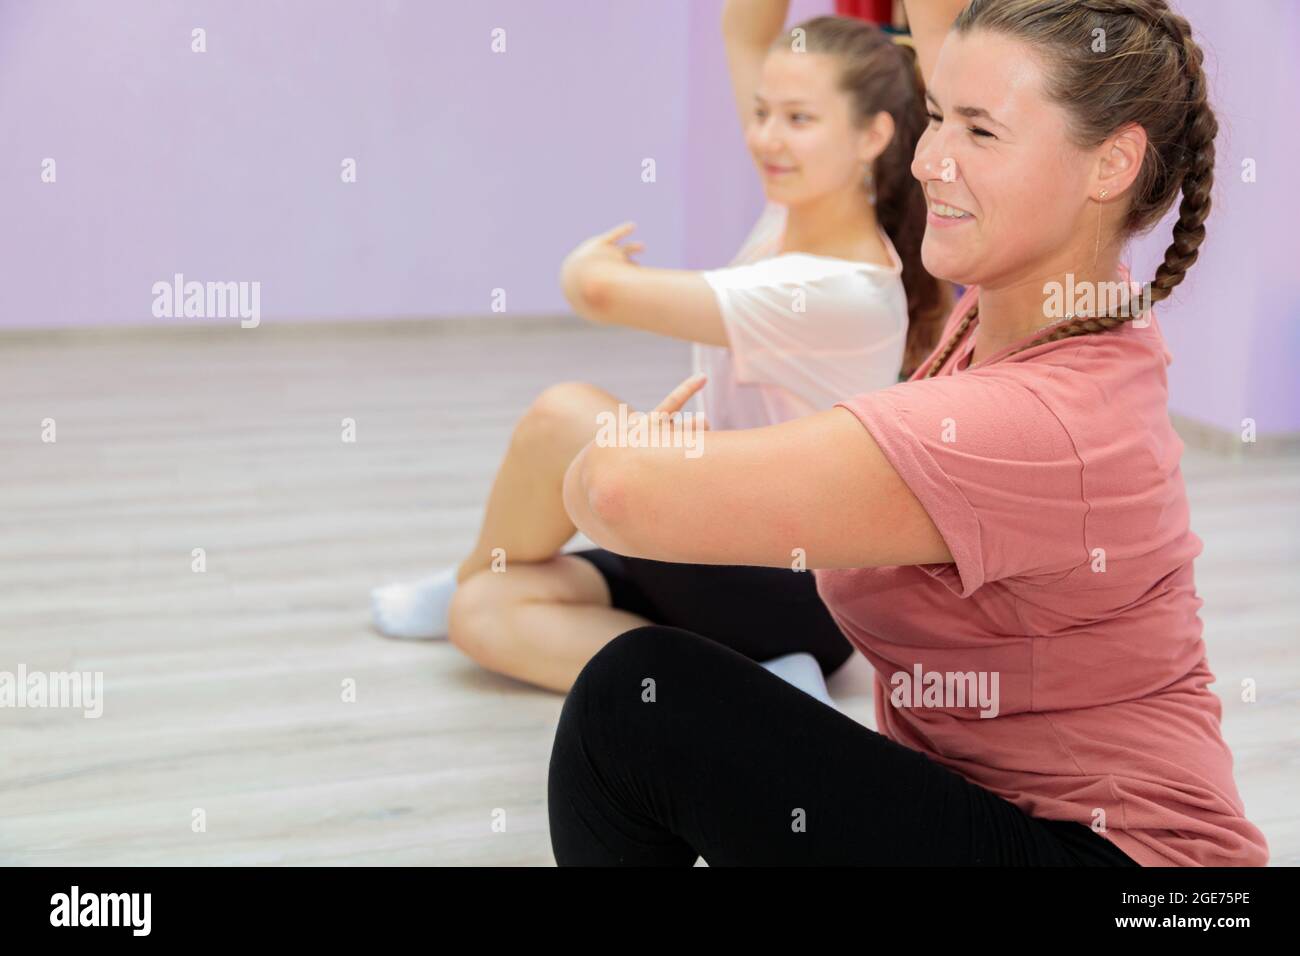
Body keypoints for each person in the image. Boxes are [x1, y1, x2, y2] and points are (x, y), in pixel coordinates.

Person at [547, 0, 1271, 866]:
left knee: (636, 702)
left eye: (978, 132)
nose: (927, 160)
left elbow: (618, 496)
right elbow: (956, 46)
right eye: (934, 117)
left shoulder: (1028, 420)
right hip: (997, 811)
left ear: (1111, 163)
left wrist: (604, 460)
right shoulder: (1038, 305)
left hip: (1134, 877)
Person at [371, 3, 949, 697]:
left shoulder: (843, 290)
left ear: (872, 136)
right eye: (762, 113)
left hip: (793, 586)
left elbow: (602, 294)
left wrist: (586, 267)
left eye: (798, 119)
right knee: (487, 611)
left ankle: (474, 566)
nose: (767, 137)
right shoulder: (793, 212)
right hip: (712, 544)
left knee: (569, 416)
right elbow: (745, 30)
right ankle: (755, 683)